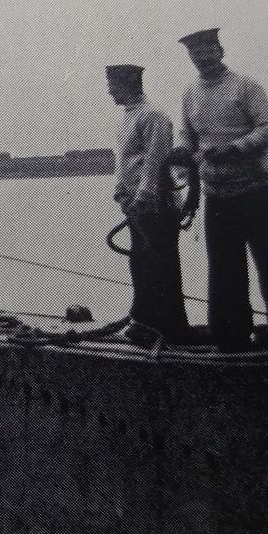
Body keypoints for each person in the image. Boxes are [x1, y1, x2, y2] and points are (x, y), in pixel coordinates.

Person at [178, 27, 268, 351]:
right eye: (197, 54)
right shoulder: (190, 93)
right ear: (191, 58)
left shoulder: (246, 86)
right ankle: (230, 337)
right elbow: (186, 134)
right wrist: (183, 152)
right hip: (218, 193)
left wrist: (235, 149)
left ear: (221, 52)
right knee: (224, 268)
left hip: (259, 188)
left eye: (209, 52)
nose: (204, 59)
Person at [107, 64, 190, 344]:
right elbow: (125, 160)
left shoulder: (153, 115)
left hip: (157, 206)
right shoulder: (127, 118)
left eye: (113, 86)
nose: (109, 91)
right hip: (135, 206)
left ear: (129, 85)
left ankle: (168, 327)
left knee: (161, 264)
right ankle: (146, 320)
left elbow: (156, 160)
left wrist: (143, 195)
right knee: (141, 263)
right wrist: (120, 189)